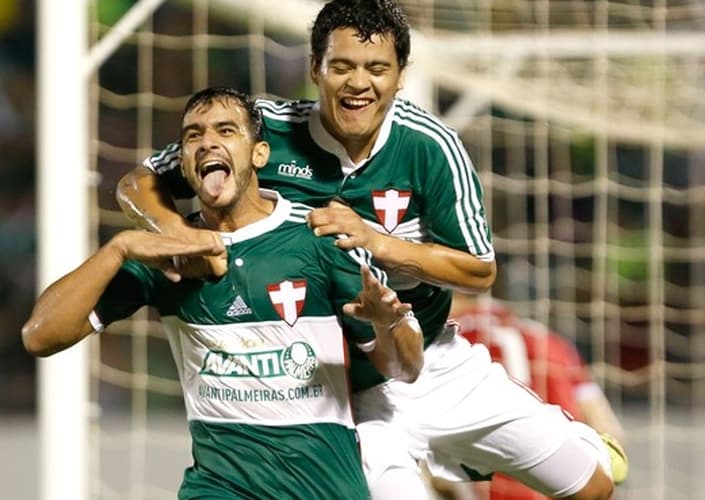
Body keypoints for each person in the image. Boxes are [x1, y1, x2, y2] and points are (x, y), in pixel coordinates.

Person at [115, 1, 624, 499]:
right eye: (342, 67)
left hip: (435, 361)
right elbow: (138, 182)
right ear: (315, 69)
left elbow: (479, 270)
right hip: (347, 394)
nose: (358, 83)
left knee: (594, 485)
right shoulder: (266, 130)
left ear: (400, 76)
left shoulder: (430, 145)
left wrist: (377, 242)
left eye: (377, 68)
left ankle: (569, 447)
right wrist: (179, 236)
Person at [22, 87, 424, 499]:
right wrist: (118, 248)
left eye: (226, 130)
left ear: (260, 154)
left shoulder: (319, 238)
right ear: (183, 164)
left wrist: (388, 321)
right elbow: (39, 335)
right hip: (217, 488)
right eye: (193, 135)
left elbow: (406, 368)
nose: (207, 142)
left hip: (322, 488)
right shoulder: (166, 257)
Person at [430, 292, 627, 500]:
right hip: (567, 487)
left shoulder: (446, 343)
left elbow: (439, 477)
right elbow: (608, 428)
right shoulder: (548, 339)